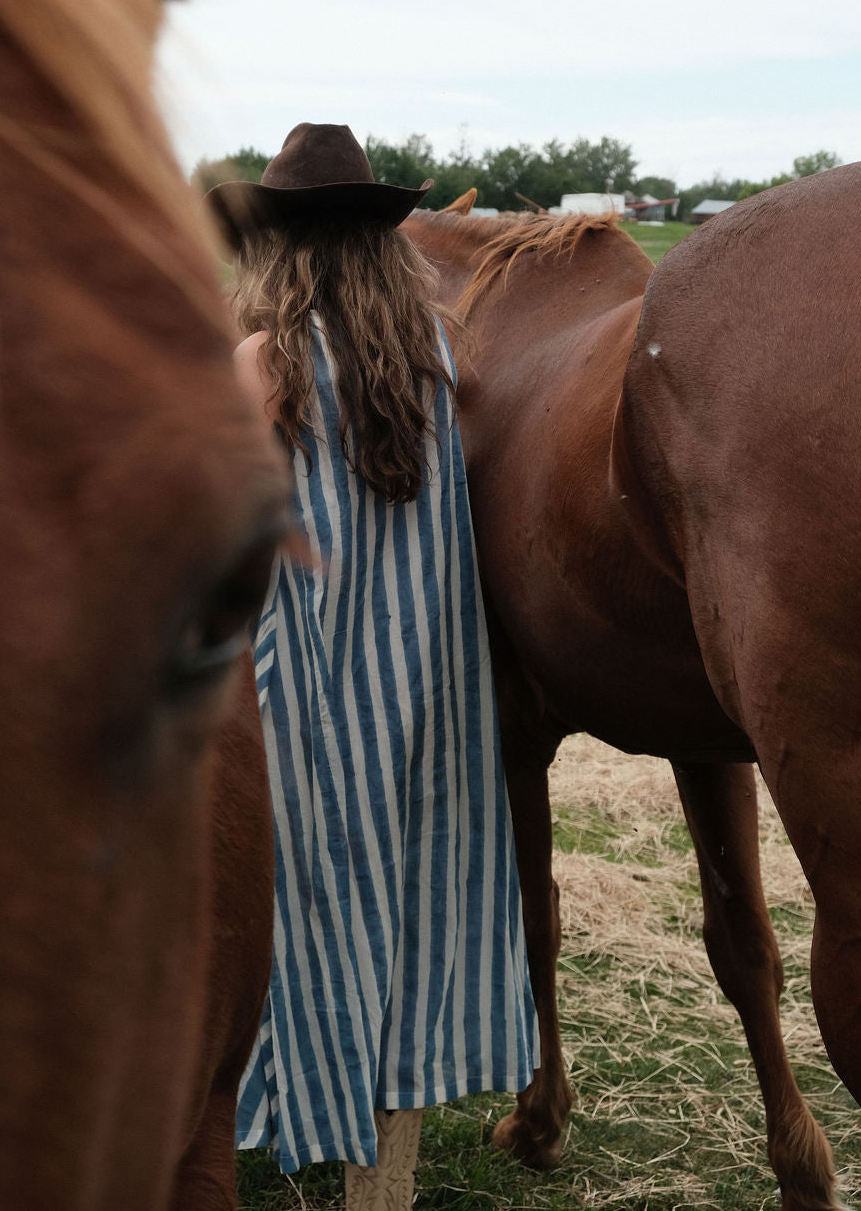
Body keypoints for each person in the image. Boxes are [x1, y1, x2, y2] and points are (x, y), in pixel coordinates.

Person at [209, 124, 537, 1210]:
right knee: (410, 904)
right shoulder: (438, 359)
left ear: (279, 248)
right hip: (426, 692)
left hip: (304, 685)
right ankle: (379, 1168)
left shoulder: (265, 361)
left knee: (299, 907)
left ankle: (300, 1108)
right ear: (382, 246)